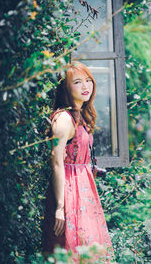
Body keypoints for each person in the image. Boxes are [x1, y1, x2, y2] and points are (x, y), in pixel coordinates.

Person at [41, 61, 114, 263]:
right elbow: (56, 163)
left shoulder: (81, 115)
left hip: (83, 190)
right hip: (69, 191)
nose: (85, 87)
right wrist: (59, 207)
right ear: (66, 87)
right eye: (78, 82)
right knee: (68, 247)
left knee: (88, 247)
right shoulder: (63, 119)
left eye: (88, 81)